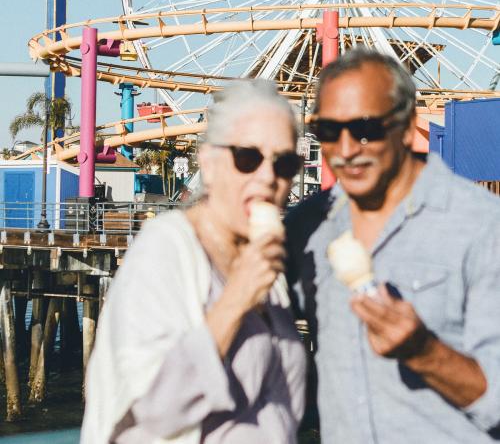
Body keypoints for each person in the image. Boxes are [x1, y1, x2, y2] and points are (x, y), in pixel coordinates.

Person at [286, 48, 500, 443]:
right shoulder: (306, 228)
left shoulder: (482, 227)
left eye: (365, 129)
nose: (347, 149)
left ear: (405, 127)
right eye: (329, 131)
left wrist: (425, 352)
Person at [81, 79, 306, 444]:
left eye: (284, 163)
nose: (268, 177)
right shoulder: (165, 250)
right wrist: (236, 299)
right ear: (209, 163)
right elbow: (156, 411)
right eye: (247, 158)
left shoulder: (264, 265)